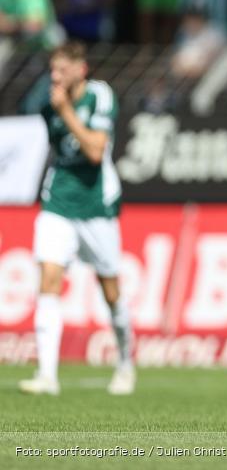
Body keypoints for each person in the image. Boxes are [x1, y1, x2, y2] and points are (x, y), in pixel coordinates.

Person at [19, 41, 134, 396]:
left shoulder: (99, 96)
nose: (54, 77)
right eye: (52, 69)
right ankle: (47, 376)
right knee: (49, 278)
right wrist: (57, 107)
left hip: (97, 205)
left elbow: (96, 151)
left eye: (61, 70)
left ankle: (126, 362)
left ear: (80, 70)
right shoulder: (46, 102)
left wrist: (66, 110)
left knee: (110, 291)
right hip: (58, 202)